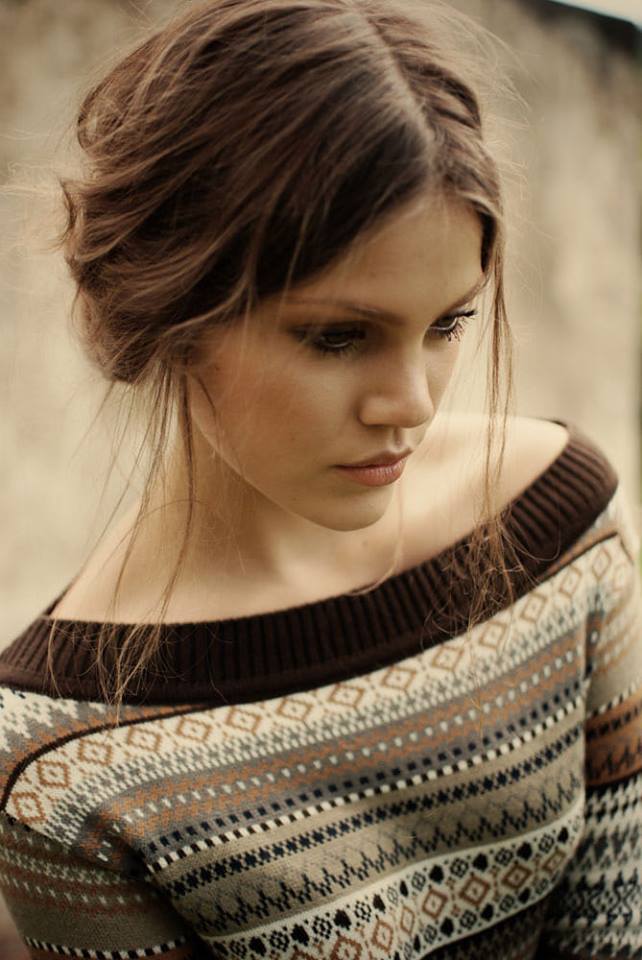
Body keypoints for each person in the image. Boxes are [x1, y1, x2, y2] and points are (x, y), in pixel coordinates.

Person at [0, 0, 640, 957]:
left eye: (449, 324)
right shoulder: (61, 757)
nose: (410, 402)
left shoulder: (559, 523)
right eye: (338, 336)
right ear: (171, 311)